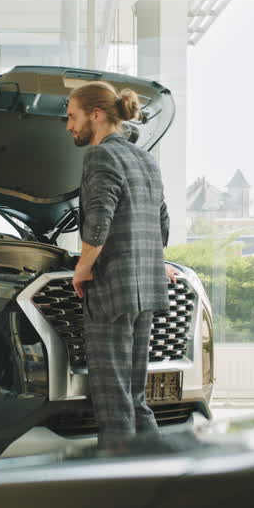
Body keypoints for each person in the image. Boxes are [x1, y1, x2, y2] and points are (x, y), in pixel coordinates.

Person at [65, 80, 179, 452]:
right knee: (134, 395)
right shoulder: (144, 157)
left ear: (95, 115)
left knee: (113, 402)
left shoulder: (100, 156)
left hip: (112, 289)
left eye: (72, 117)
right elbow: (160, 221)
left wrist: (83, 268)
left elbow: (100, 219)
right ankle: (158, 473)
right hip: (146, 288)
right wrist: (155, 263)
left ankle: (117, 491)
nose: (69, 126)